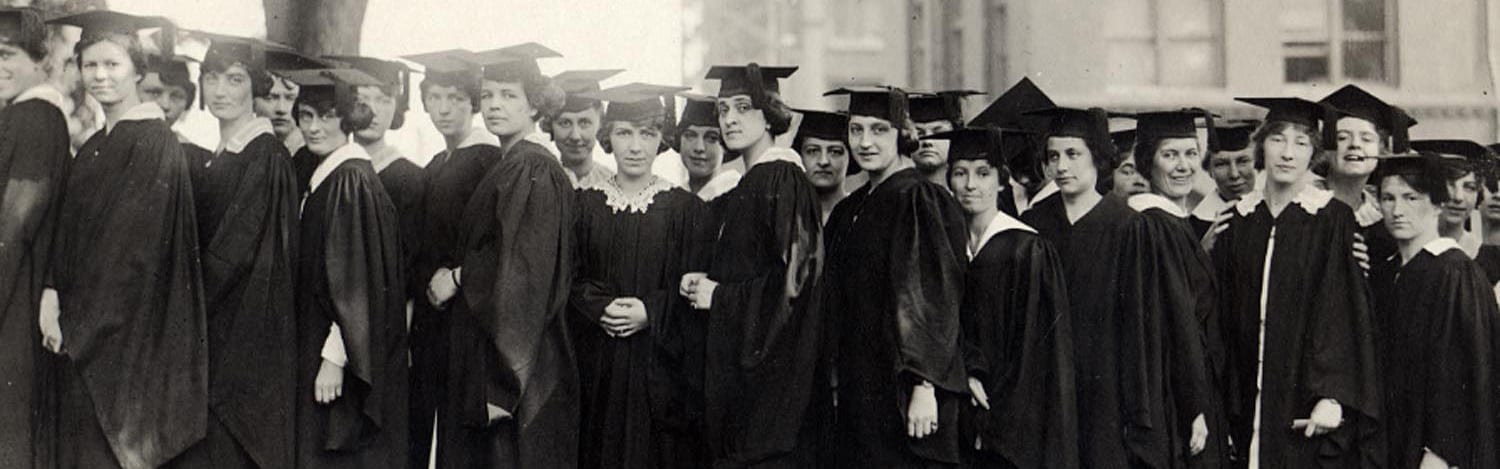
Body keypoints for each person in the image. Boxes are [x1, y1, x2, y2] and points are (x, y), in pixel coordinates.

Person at [44, 11, 207, 469]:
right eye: (90, 65)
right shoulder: (97, 144)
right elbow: (68, 233)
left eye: (112, 64)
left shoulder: (153, 143)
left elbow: (131, 254)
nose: (99, 76)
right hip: (81, 338)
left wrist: (78, 324)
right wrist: (53, 293)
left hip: (125, 345)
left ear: (137, 69)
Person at [432, 43, 578, 469]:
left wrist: (502, 385)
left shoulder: (534, 169)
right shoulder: (509, 163)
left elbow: (525, 276)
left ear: (535, 105)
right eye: (490, 95)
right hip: (494, 361)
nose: (495, 105)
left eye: (509, 95)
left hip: (517, 371)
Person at [1213, 97, 1379, 468]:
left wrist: (1333, 395)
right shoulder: (1239, 219)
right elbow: (1218, 314)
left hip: (1304, 400)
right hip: (1242, 399)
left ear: (1313, 154)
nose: (1287, 153)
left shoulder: (1331, 218)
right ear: (1261, 147)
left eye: (1301, 143)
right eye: (1278, 140)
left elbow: (1342, 312)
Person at [168, 33, 300, 469]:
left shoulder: (265, 157)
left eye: (235, 79)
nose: (221, 90)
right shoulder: (221, 156)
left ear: (256, 86)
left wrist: (182, 305)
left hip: (241, 345)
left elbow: (238, 255)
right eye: (211, 78)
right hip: (214, 335)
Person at [682, 63, 824, 468]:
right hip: (746, 386)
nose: (729, 119)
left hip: (772, 394)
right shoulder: (747, 182)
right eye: (723, 109)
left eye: (742, 108)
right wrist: (706, 282)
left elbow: (796, 283)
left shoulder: (782, 178)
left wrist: (721, 296)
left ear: (770, 114)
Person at [821, 85, 967, 468]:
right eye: (856, 130)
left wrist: (924, 384)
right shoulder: (851, 207)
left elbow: (933, 300)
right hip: (860, 385)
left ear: (903, 133)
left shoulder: (920, 199)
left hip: (904, 389)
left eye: (879, 129)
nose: (865, 142)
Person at [569, 83, 711, 469]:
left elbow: (695, 291)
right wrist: (598, 308)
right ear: (608, 137)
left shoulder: (687, 211)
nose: (635, 146)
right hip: (599, 366)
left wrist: (651, 311)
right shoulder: (583, 206)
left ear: (661, 139)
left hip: (659, 370)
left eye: (646, 134)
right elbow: (569, 280)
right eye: (624, 132)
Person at [932, 127, 1079, 469]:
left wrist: (994, 414)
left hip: (1012, 421)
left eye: (983, 174)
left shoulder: (1026, 249)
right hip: (956, 412)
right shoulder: (946, 246)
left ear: (1001, 182)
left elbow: (1035, 352)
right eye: (960, 173)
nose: (970, 185)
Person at [283, 67, 408, 469]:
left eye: (327, 115)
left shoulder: (350, 181)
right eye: (306, 116)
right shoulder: (329, 174)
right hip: (321, 343)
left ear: (349, 117)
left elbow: (356, 282)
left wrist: (335, 358)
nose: (315, 127)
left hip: (339, 353)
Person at [399, 48, 504, 469]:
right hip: (432, 324)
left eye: (456, 98)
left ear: (474, 102)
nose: (443, 108)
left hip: (467, 321)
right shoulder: (436, 163)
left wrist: (458, 279)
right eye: (436, 97)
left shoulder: (487, 160)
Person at [1018, 105, 1138, 469]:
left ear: (1098, 158)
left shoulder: (1127, 225)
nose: (1062, 166)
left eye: (1073, 154)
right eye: (1053, 156)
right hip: (1046, 381)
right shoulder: (1031, 225)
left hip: (1106, 381)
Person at [1366, 151, 1500, 469]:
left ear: (1438, 204)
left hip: (1437, 452)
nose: (1398, 210)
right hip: (1392, 442)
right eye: (1388, 198)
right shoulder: (1387, 273)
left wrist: (1442, 451)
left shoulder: (1455, 273)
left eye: (1411, 197)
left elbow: (1467, 372)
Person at [1118, 110, 1229, 468]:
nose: (1183, 166)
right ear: (1148, 161)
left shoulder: (1170, 223)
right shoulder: (1154, 225)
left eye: (1191, 153)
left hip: (1181, 388)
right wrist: (1194, 404)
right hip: (1174, 395)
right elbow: (1177, 321)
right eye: (1170, 155)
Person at [0, 8, 68, 468]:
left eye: (6, 54)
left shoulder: (36, 117)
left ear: (40, 58)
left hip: (12, 298)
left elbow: (15, 224)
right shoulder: (20, 114)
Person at [332, 54, 426, 285]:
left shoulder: (410, 179)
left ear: (396, 107)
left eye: (384, 100)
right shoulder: (331, 165)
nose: (372, 111)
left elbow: (408, 263)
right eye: (361, 98)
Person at [1319, 84, 1416, 268]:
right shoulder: (1305, 204)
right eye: (1342, 137)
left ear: (1381, 150)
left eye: (1366, 138)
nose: (1355, 145)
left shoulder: (1384, 215)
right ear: (1326, 149)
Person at [967, 77, 1056, 216]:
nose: (1024, 180)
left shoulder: (1066, 200)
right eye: (1015, 169)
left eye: (1029, 168)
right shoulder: (1005, 198)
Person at [1410, 139, 1492, 258]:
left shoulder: (1490, 259)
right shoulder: (1403, 253)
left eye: (1469, 187)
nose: (1458, 197)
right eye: (1449, 185)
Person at [548, 68, 623, 187]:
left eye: (584, 122)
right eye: (565, 123)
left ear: (600, 123)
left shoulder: (614, 187)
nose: (575, 136)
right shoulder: (541, 180)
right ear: (550, 125)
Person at [141, 54, 213, 169]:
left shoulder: (197, 161)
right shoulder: (108, 145)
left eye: (176, 96)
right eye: (155, 93)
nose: (165, 105)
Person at [1191, 120, 1258, 242]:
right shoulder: (1195, 225)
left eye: (1243, 161)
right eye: (1222, 164)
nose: (1234, 174)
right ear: (1209, 170)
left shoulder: (1277, 212)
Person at [909, 89, 981, 188]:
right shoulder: (899, 195)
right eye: (919, 133)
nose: (927, 142)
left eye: (938, 132)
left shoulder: (970, 191)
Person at [794, 108, 854, 223]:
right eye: (812, 151)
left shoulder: (861, 212)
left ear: (850, 157)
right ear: (800, 156)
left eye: (835, 152)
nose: (823, 161)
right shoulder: (787, 216)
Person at [678, 92, 740, 201]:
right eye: (690, 135)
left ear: (725, 147)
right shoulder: (675, 198)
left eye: (711, 138)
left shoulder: (736, 195)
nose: (699, 148)